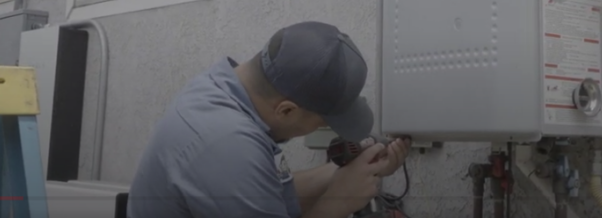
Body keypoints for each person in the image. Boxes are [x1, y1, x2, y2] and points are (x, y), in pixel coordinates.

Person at [126, 21, 411, 218]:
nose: (324, 128)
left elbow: (263, 192)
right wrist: (337, 203)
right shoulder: (227, 143)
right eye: (324, 121)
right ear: (286, 110)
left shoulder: (220, 87)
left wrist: (342, 175)